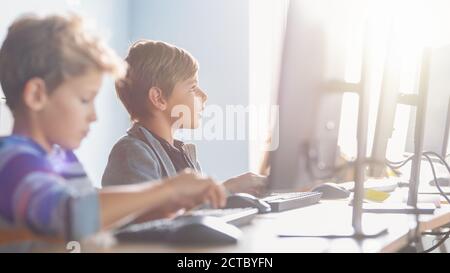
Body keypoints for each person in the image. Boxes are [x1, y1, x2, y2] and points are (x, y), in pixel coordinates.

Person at [0, 14, 226, 250]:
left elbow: (93, 226)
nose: (94, 116)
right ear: (37, 95)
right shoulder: (12, 162)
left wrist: (162, 206)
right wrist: (168, 189)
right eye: (84, 99)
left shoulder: (62, 159)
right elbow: (72, 217)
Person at [102, 40, 266, 196]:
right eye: (193, 87)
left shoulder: (181, 153)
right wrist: (227, 189)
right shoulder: (132, 153)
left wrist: (233, 192)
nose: (204, 96)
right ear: (159, 98)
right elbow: (155, 219)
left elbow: (194, 211)